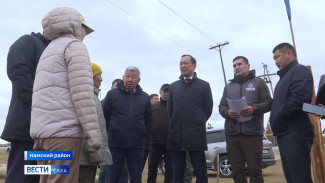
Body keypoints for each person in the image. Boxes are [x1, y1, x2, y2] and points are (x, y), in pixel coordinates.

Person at [30, 7, 102, 183]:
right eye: (85, 30)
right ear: (77, 26)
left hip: (40, 138)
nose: (85, 34)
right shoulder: (75, 47)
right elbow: (83, 94)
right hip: (63, 137)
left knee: (45, 180)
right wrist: (95, 137)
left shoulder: (48, 51)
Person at [0, 30, 50, 182]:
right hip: (26, 129)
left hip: (49, 133)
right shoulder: (28, 42)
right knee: (22, 175)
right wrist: (43, 107)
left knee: (41, 175)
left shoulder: (57, 50)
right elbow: (19, 74)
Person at [219, 56, 272, 183]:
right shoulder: (229, 86)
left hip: (252, 134)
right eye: (234, 65)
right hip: (232, 134)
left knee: (255, 171)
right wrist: (227, 112)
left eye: (239, 64)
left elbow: (269, 102)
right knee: (237, 172)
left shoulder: (259, 82)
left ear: (248, 66)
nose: (236, 67)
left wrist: (254, 108)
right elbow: (221, 107)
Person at [270, 43, 314, 183]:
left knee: (300, 178)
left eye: (277, 57)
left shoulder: (298, 71)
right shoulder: (283, 78)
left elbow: (301, 98)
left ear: (289, 53)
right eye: (274, 59)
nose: (275, 61)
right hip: (285, 134)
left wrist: (280, 115)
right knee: (292, 178)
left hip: (295, 133)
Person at [167, 54, 213, 183]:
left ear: (194, 65)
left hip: (196, 134)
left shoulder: (204, 85)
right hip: (177, 135)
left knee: (200, 171)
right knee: (178, 172)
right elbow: (170, 111)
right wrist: (175, 124)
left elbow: (208, 109)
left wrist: (197, 121)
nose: (182, 66)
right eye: (180, 63)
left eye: (185, 63)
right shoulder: (173, 87)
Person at [103, 66, 151, 183]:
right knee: (112, 177)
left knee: (136, 177)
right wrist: (113, 131)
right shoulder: (112, 94)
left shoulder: (144, 97)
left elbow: (147, 119)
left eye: (133, 77)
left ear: (138, 80)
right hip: (115, 144)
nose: (130, 79)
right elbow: (105, 116)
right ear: (123, 77)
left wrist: (140, 132)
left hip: (137, 145)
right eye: (127, 76)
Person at [79, 62, 113, 183]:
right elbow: (89, 129)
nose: (102, 78)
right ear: (90, 75)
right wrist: (95, 156)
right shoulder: (88, 97)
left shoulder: (91, 95)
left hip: (85, 157)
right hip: (84, 159)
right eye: (99, 74)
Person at [147, 84, 174, 183]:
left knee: (170, 169)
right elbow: (147, 123)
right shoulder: (152, 107)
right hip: (154, 143)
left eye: (168, 91)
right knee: (152, 167)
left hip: (170, 144)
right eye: (164, 91)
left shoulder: (174, 107)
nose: (166, 94)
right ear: (160, 92)